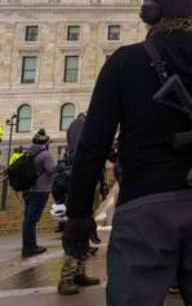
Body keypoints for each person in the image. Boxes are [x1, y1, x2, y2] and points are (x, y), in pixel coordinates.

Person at [63, 0, 192, 306]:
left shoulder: (124, 62)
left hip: (145, 204)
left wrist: (79, 213)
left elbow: (93, 145)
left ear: (149, 15)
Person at [56, 113, 100, 295]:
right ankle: (66, 277)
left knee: (83, 226)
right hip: (81, 182)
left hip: (81, 180)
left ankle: (78, 272)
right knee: (77, 228)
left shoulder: (76, 125)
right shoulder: (83, 126)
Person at [21, 129, 56, 257]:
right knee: (32, 220)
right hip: (40, 190)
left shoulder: (29, 152)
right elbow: (51, 170)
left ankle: (28, 245)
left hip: (28, 190)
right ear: (45, 143)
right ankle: (30, 247)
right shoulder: (45, 154)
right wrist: (60, 166)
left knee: (28, 219)